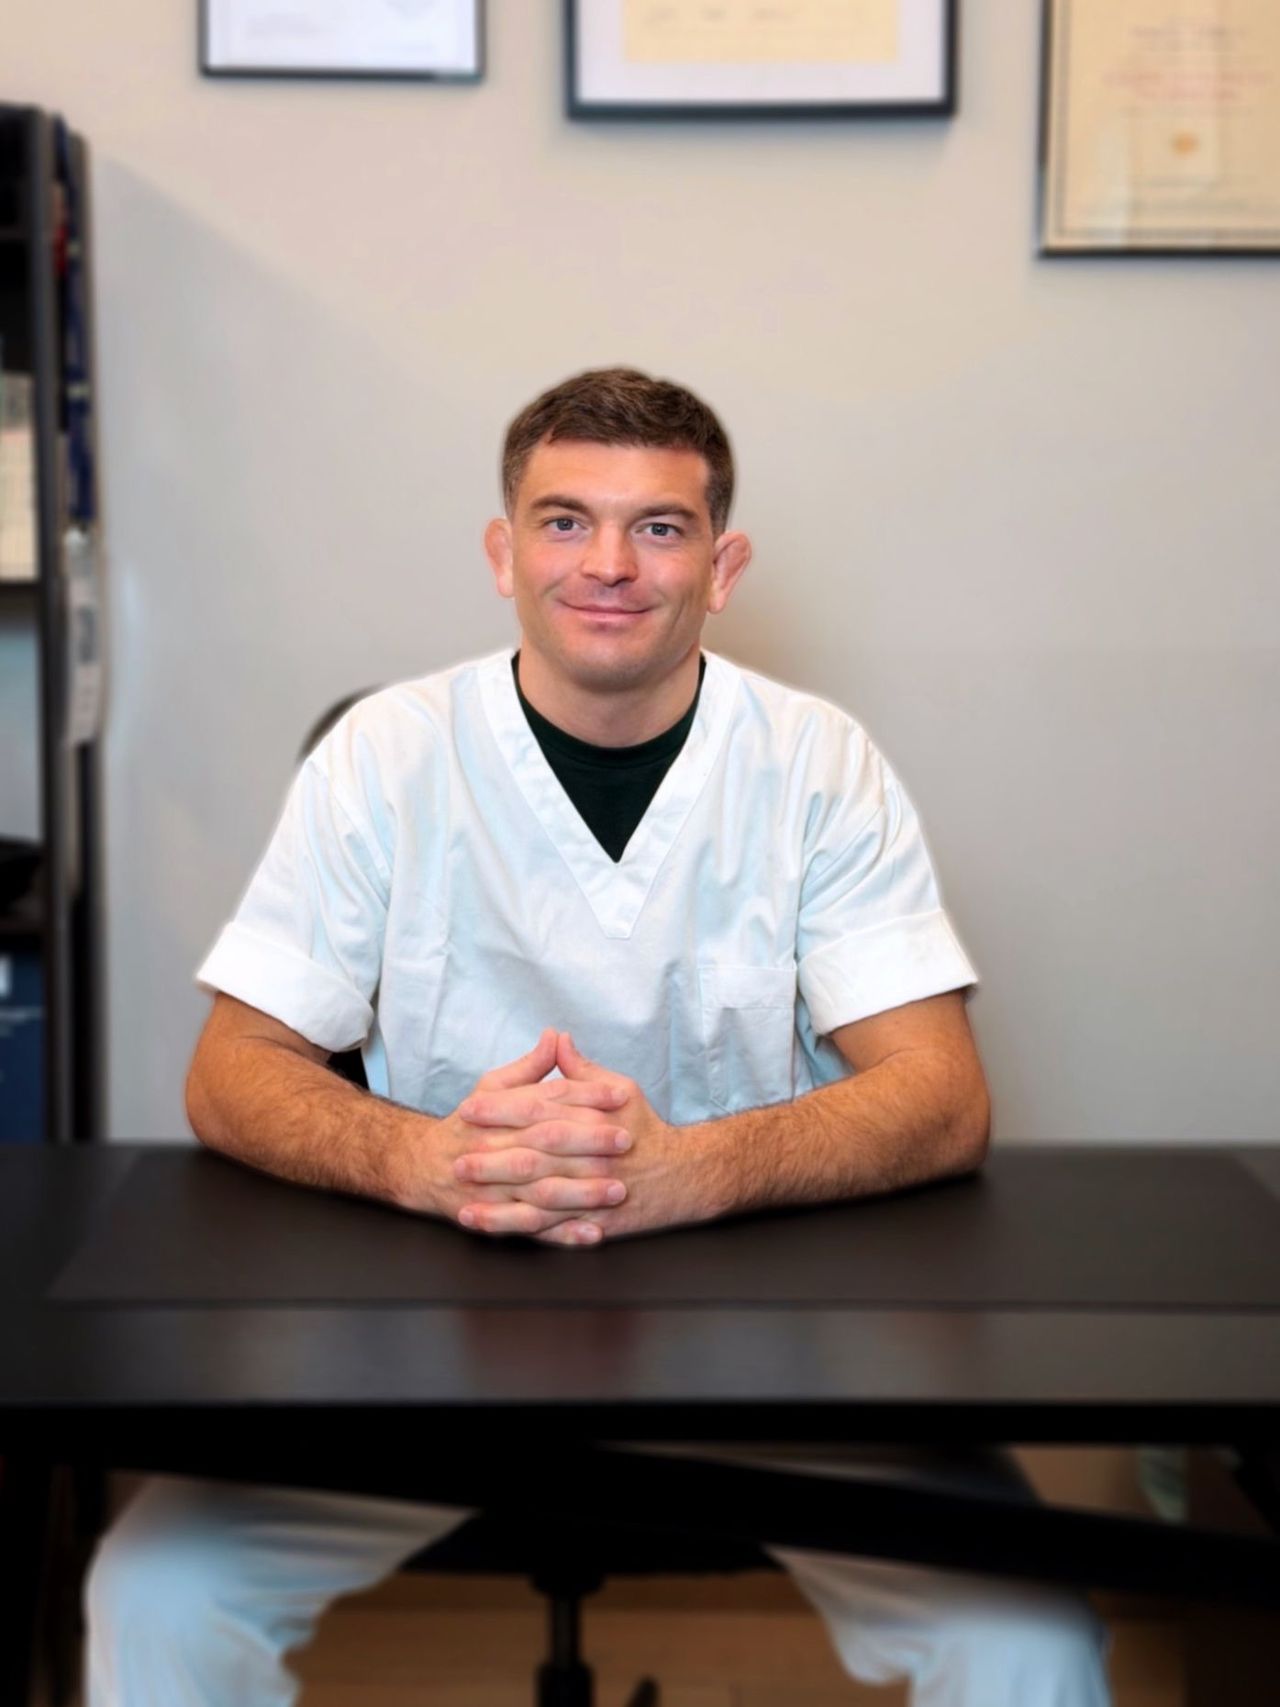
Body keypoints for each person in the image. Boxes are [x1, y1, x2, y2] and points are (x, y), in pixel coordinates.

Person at [85, 368, 1112, 1707]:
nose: (610, 565)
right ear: (502, 553)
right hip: (420, 1354)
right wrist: (427, 1161)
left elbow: (943, 1097)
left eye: (660, 528)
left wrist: (690, 1171)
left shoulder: (814, 763)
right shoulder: (388, 754)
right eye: (565, 521)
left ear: (722, 567)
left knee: (1028, 1634)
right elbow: (231, 1074)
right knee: (158, 1592)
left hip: (773, 1357)